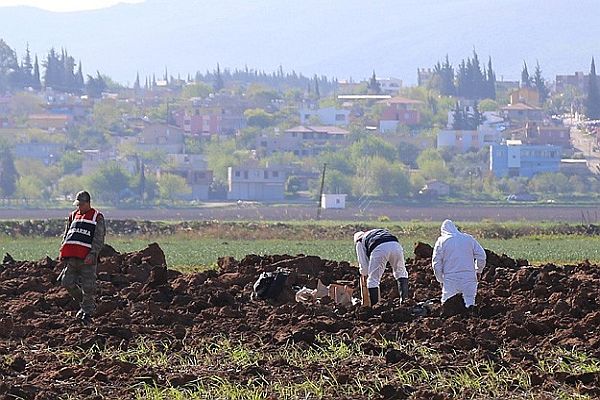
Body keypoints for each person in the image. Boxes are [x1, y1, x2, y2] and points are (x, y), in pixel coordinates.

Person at [58, 190, 105, 325]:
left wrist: (93, 254)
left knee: (88, 286)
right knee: (66, 282)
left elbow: (98, 238)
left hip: (87, 259)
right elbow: (67, 235)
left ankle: (87, 312)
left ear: (87, 203)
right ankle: (84, 303)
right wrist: (63, 251)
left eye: (81, 205)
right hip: (72, 257)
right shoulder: (73, 216)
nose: (78, 207)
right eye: (77, 205)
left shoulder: (97, 217)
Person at [432, 219, 486, 309]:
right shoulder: (468, 239)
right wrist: (478, 270)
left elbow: (436, 263)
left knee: (447, 305)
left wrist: (440, 279)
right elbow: (482, 256)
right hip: (469, 277)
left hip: (451, 279)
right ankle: (471, 321)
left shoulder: (441, 241)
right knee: (470, 302)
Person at [354, 229, 409, 305]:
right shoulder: (373, 233)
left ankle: (376, 307)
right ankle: (405, 302)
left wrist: (363, 274)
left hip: (379, 247)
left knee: (372, 280)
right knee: (401, 273)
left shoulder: (359, 241)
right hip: (396, 245)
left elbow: (364, 269)